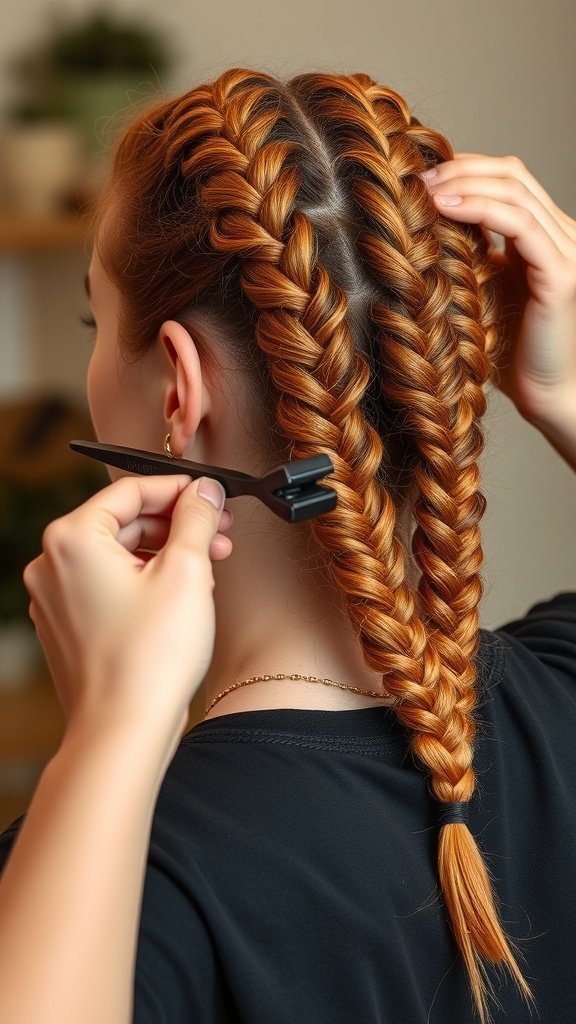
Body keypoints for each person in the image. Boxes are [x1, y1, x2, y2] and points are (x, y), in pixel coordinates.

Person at [0, 68, 575, 1024]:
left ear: (179, 393)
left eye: (94, 321)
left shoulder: (105, 893)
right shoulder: (559, 696)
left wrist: (109, 735)